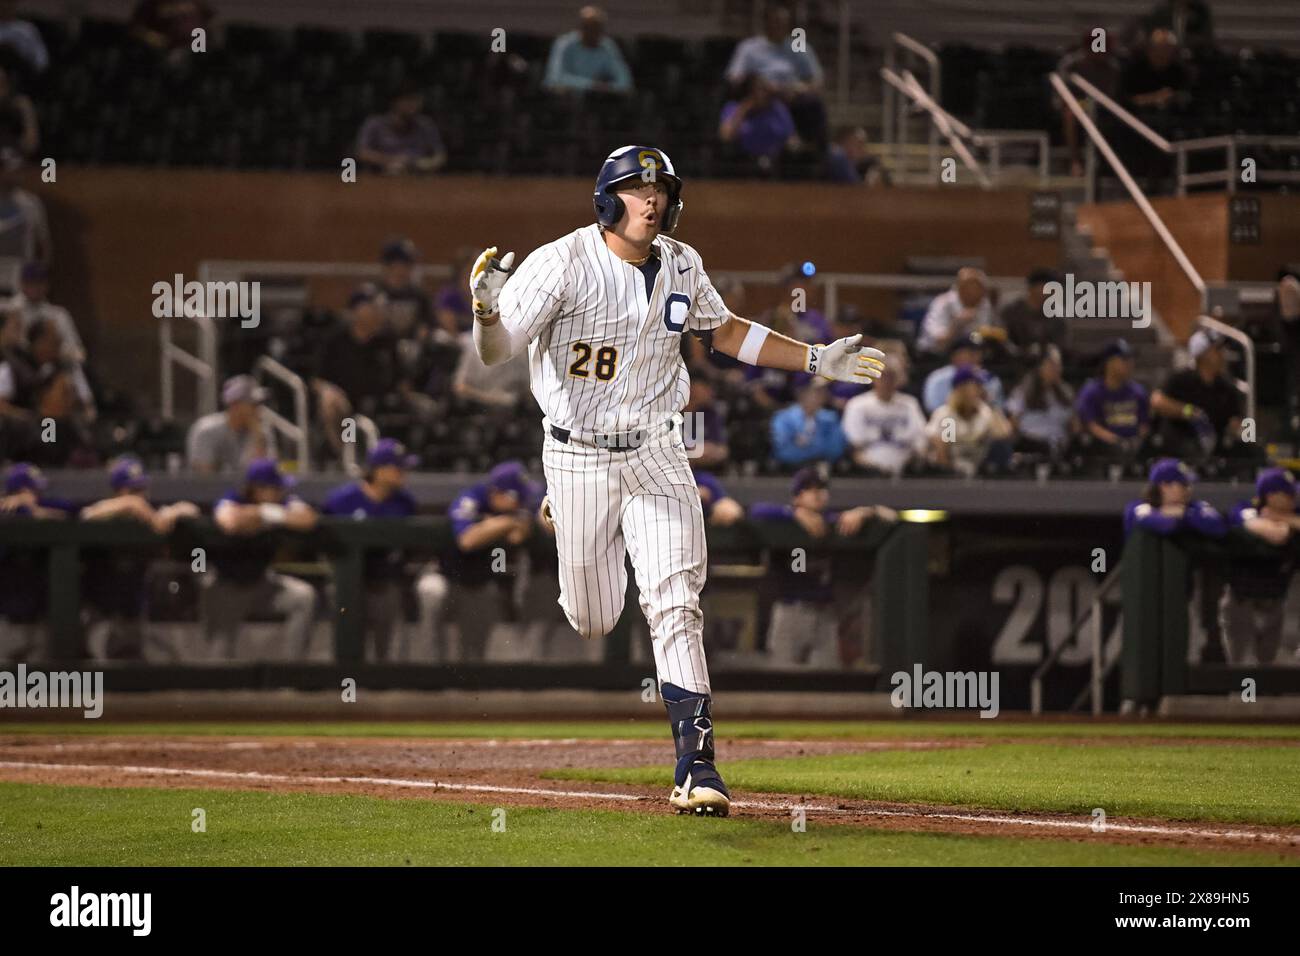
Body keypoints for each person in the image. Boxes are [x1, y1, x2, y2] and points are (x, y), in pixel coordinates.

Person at [468, 143, 886, 816]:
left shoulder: (683, 262)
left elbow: (723, 332)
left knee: (674, 601)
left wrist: (813, 358)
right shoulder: (561, 261)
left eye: (660, 188)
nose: (652, 199)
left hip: (659, 450)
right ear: (609, 198)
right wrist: (487, 314)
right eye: (637, 188)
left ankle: (697, 766)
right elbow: (496, 353)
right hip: (577, 455)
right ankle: (563, 510)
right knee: (595, 618)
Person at [750, 467, 895, 668]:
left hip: (824, 612)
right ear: (797, 496)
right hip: (791, 611)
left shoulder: (833, 521)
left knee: (828, 678)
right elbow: (755, 510)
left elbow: (889, 516)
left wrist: (863, 512)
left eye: (821, 488)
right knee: (781, 678)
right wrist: (793, 513)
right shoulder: (781, 521)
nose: (817, 493)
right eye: (810, 489)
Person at [322, 438, 446, 662]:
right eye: (398, 468)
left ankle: (384, 687)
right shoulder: (341, 501)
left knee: (388, 649)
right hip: (347, 583)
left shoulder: (405, 502)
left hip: (384, 583)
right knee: (347, 648)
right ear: (379, 471)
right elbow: (321, 542)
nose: (404, 473)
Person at [79, 456, 200, 659]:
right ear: (116, 492)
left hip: (133, 612)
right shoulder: (104, 511)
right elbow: (86, 515)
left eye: (141, 489)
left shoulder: (150, 514)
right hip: (95, 611)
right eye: (132, 490)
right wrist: (130, 504)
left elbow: (192, 510)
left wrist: (173, 512)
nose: (140, 496)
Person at [204, 459, 318, 659]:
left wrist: (266, 512)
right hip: (225, 585)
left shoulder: (278, 504)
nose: (280, 492)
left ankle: (292, 672)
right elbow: (229, 522)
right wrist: (259, 514)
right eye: (275, 488)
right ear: (258, 488)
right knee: (219, 658)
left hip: (262, 582)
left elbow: (308, 519)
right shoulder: (234, 498)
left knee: (303, 597)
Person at [446, 461, 543, 662]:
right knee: (462, 644)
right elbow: (467, 540)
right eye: (517, 497)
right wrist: (508, 522)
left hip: (495, 580)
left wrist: (517, 521)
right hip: (456, 577)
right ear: (498, 493)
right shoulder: (472, 498)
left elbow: (526, 530)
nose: (521, 502)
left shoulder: (523, 504)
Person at [314, 284, 404, 460]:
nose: (377, 312)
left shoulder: (386, 340)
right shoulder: (335, 339)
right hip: (344, 403)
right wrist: (330, 392)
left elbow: (400, 378)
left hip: (379, 402)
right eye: (371, 307)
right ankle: (342, 458)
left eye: (378, 308)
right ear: (356, 311)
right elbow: (317, 379)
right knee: (329, 403)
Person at [1222, 468, 1300, 664]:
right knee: (1244, 670)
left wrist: (1285, 519)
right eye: (1288, 494)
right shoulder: (1245, 509)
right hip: (1242, 600)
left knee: (1267, 669)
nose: (1294, 499)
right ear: (1271, 496)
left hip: (1274, 600)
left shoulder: (1292, 514)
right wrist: (1287, 524)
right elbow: (1277, 535)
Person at [0, 463, 76, 659]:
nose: (35, 494)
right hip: (6, 622)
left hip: (41, 622)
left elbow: (74, 515)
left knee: (42, 682)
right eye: (29, 491)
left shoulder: (46, 509)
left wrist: (33, 508)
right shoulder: (6, 512)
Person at [724, 2, 826, 148]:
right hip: (758, 97)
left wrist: (797, 89)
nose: (779, 26)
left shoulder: (799, 47)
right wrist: (758, 84)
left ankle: (808, 151)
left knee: (813, 105)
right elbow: (734, 78)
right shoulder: (749, 47)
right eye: (775, 22)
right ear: (766, 22)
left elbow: (817, 81)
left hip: (791, 97)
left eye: (783, 22)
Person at [1151, 329, 1244, 459]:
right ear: (1202, 354)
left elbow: (1235, 420)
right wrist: (1189, 411)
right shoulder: (1181, 379)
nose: (1222, 354)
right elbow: (1157, 401)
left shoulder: (1226, 386)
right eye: (1217, 350)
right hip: (1181, 442)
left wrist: (1242, 432)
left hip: (1214, 445)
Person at [926, 367, 1013, 476]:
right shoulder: (949, 416)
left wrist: (994, 407)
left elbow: (1003, 436)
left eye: (979, 386)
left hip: (980, 472)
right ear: (960, 389)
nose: (979, 390)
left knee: (1001, 447)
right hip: (953, 472)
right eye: (974, 386)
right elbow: (944, 454)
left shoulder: (985, 412)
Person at [842, 366, 927, 475]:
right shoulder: (857, 405)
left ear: (897, 380)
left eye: (891, 378)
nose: (886, 382)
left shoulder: (910, 404)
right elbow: (852, 444)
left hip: (906, 470)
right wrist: (872, 468)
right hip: (868, 471)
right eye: (882, 378)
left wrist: (912, 461)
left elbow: (920, 439)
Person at [187, 374, 277, 473]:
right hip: (214, 488)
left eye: (259, 404)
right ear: (235, 405)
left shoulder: (261, 431)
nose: (258, 410)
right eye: (253, 404)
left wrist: (258, 436)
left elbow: (264, 475)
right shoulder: (206, 430)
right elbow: (203, 478)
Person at [1074, 339, 1150, 455]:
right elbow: (1091, 426)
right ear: (1109, 363)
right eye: (1124, 360)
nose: (1130, 363)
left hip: (1134, 448)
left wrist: (1137, 442)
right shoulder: (1092, 392)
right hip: (1102, 450)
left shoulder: (1138, 392)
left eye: (1131, 359)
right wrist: (1117, 441)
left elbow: (1143, 425)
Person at [356, 82, 446, 175]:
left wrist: (419, 164)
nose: (415, 104)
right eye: (410, 100)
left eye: (417, 100)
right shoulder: (374, 124)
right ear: (395, 102)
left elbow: (440, 157)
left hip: (416, 179)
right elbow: (362, 153)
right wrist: (391, 161)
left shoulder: (426, 125)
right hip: (380, 178)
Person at [1123, 458, 1225, 537]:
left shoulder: (1193, 507)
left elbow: (1219, 527)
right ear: (1164, 486)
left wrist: (1184, 513)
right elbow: (1167, 526)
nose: (1188, 489)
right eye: (1183, 484)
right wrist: (1168, 514)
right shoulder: (1137, 507)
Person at [543, 5, 633, 95]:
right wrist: (591, 85)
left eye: (597, 28)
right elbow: (555, 78)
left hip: (596, 100)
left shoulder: (608, 46)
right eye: (588, 27)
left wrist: (608, 87)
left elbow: (624, 82)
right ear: (580, 27)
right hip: (565, 100)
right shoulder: (564, 44)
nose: (592, 32)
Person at [1005, 346, 1076, 456]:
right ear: (1040, 367)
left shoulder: (1066, 392)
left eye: (1058, 365)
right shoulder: (1024, 390)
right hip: (1030, 444)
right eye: (1051, 364)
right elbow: (1013, 423)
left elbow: (1074, 424)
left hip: (1060, 445)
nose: (1056, 369)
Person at [718, 74, 798, 171]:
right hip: (742, 164)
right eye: (756, 90)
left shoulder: (777, 108)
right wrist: (742, 112)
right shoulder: (733, 108)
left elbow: (791, 138)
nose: (761, 94)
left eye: (764, 89)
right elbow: (726, 136)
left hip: (777, 163)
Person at [10, 261, 84, 362]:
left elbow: (79, 354)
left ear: (46, 285)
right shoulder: (10, 310)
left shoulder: (59, 315)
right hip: (17, 369)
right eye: (30, 282)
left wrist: (53, 350)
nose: (34, 287)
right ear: (21, 283)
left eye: (39, 282)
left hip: (50, 368)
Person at [915, 268, 998, 358]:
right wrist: (956, 324)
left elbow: (978, 335)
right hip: (933, 354)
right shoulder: (942, 303)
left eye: (980, 287)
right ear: (960, 287)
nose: (975, 291)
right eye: (970, 286)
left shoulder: (984, 304)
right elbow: (938, 340)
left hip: (968, 354)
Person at [770, 378, 847, 469]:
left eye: (821, 393)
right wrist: (819, 449)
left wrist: (805, 444)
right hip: (788, 469)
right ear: (801, 395)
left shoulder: (830, 418)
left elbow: (836, 449)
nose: (818, 397)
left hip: (823, 467)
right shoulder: (783, 418)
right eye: (814, 392)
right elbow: (783, 449)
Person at [923, 332, 1005, 413]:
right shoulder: (937, 378)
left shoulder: (990, 380)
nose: (976, 356)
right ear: (954, 355)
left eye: (979, 352)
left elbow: (998, 411)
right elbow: (932, 409)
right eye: (970, 352)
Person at [999, 268, 1066, 364]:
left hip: (1045, 363)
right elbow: (1003, 337)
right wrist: (1021, 352)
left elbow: (1060, 344)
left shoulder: (1056, 314)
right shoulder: (1012, 311)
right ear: (1032, 287)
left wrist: (1046, 350)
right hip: (1013, 362)